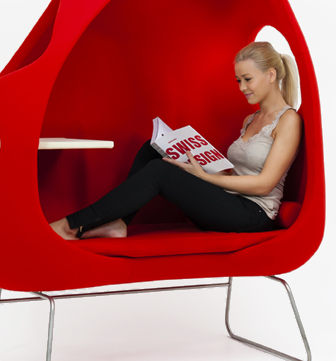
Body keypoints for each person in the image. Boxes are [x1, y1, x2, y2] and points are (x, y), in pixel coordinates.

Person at [49, 41, 302, 240]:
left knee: (161, 172)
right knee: (153, 149)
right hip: (228, 200)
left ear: (271, 75)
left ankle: (72, 225)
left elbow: (264, 185)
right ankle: (118, 224)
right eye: (239, 81)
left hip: (253, 215)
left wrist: (203, 177)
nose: (242, 87)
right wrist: (198, 162)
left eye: (248, 79)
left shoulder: (288, 120)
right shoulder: (251, 119)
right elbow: (236, 175)